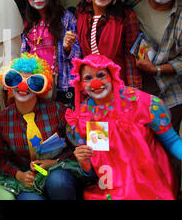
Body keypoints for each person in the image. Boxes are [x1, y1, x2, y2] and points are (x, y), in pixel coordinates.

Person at [66, 54, 182, 200]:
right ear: (80, 84)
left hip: (151, 185)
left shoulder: (141, 103)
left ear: (112, 76)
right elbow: (100, 166)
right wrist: (83, 161)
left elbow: (171, 141)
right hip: (114, 190)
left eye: (101, 75)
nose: (95, 83)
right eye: (88, 78)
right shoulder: (88, 116)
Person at [122, 0, 182, 197]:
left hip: (171, 90)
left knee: (169, 145)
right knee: (139, 143)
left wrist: (158, 70)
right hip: (135, 85)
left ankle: (172, 191)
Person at [0, 53, 81, 200]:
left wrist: (55, 163)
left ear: (42, 87)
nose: (23, 86)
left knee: (58, 182)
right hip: (28, 181)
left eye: (33, 82)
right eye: (16, 79)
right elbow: (0, 157)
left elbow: (76, 146)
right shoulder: (3, 119)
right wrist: (18, 174)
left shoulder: (57, 110)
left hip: (57, 173)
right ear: (9, 84)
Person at [7, 0, 81, 108]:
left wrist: (68, 48)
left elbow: (78, 55)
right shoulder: (28, 23)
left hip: (62, 86)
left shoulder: (66, 18)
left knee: (64, 127)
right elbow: (24, 56)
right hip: (36, 85)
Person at [76, 0, 142, 89]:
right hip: (89, 86)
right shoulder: (81, 15)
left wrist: (133, 91)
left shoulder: (126, 17)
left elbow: (131, 57)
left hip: (116, 86)